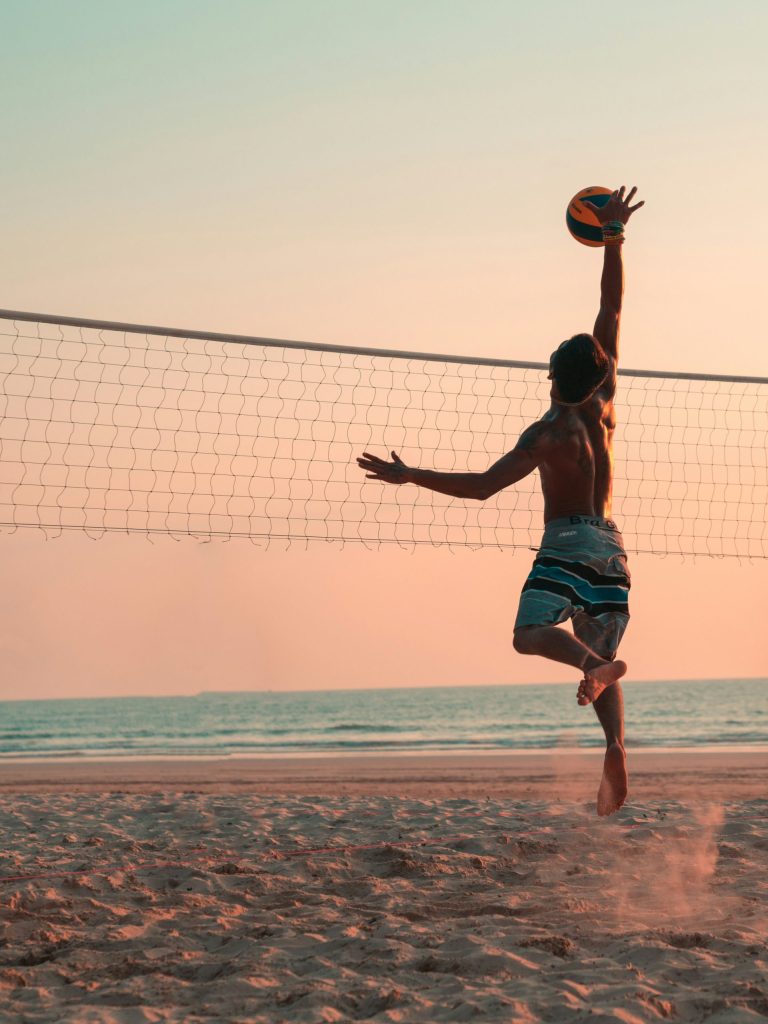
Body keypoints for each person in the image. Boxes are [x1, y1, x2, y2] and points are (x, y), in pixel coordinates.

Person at [357, 186, 644, 816]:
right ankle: (616, 746)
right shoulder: (607, 404)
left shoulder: (545, 436)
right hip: (612, 543)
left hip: (567, 541)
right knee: (604, 654)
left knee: (529, 634)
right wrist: (614, 237)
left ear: (554, 379)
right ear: (599, 374)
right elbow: (611, 310)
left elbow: (483, 486)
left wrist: (412, 476)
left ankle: (592, 666)